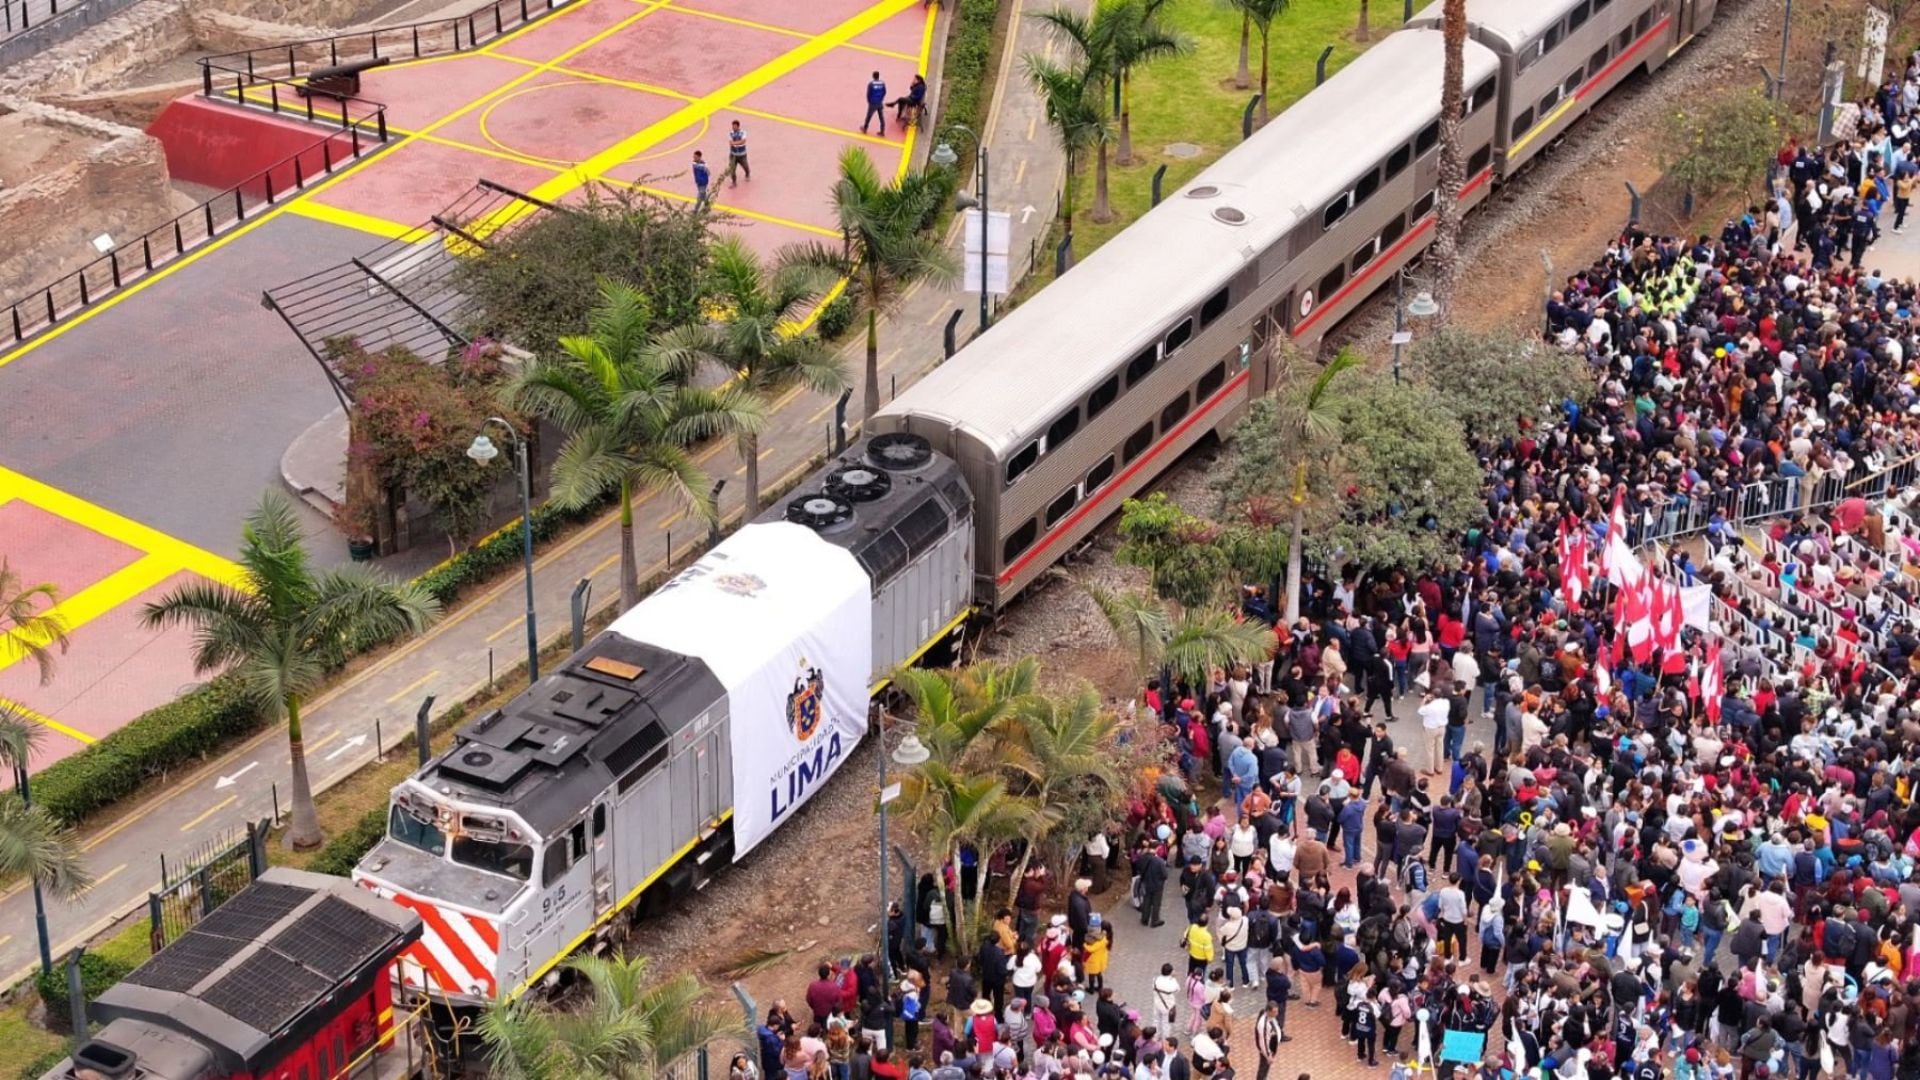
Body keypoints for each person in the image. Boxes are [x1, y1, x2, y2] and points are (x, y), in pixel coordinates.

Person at [863, 71, 888, 136]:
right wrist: (881, 99)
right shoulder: (882, 83)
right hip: (879, 102)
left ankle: (865, 128)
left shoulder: (871, 84)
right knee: (881, 117)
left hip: (873, 103)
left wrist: (869, 101)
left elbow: (868, 94)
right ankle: (882, 131)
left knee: (869, 116)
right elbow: (884, 92)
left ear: (873, 76)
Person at [727, 120, 751, 185]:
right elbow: (731, 143)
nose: (733, 127)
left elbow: (743, 141)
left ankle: (747, 173)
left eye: (734, 126)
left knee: (745, 166)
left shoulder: (743, 132)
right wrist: (738, 143)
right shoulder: (730, 133)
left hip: (742, 154)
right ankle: (734, 182)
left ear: (738, 126)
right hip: (733, 155)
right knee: (732, 169)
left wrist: (735, 143)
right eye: (732, 126)